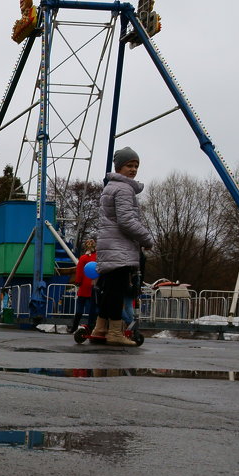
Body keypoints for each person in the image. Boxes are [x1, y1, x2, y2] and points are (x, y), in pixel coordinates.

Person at [94, 147, 154, 346]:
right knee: (116, 291)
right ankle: (114, 332)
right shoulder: (124, 189)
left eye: (136, 166)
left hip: (110, 244)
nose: (133, 169)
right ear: (119, 167)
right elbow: (126, 221)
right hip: (118, 246)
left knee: (110, 289)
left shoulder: (111, 187)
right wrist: (146, 238)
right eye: (129, 165)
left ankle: (100, 328)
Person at [71, 238, 98, 333]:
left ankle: (74, 327)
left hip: (83, 287)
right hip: (94, 287)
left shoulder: (83, 258)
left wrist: (78, 282)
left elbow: (79, 272)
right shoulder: (98, 257)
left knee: (79, 310)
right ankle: (92, 327)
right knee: (93, 310)